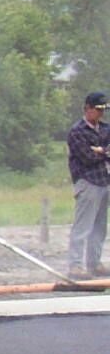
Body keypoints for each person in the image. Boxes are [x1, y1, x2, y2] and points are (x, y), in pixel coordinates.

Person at [66, 90, 110, 279]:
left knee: (100, 227)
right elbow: (87, 157)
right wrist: (104, 152)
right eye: (98, 109)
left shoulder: (107, 128)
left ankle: (94, 263)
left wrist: (100, 150)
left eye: (103, 110)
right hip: (87, 181)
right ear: (87, 108)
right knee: (83, 226)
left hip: (104, 181)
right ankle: (75, 265)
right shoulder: (77, 131)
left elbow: (98, 153)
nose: (101, 113)